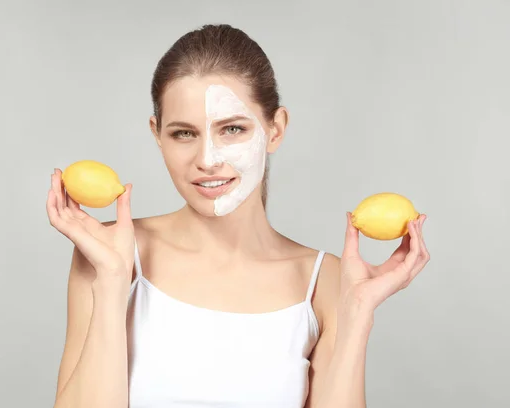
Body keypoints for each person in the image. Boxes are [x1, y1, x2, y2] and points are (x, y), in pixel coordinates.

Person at [46, 24, 430, 408]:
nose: (207, 160)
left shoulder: (324, 282)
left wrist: (358, 313)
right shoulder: (109, 254)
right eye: (183, 133)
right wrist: (112, 281)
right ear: (157, 134)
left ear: (274, 130)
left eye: (232, 129)